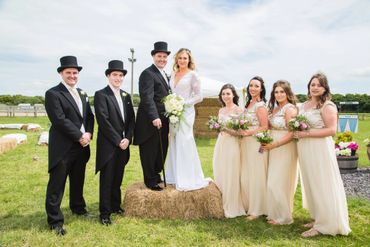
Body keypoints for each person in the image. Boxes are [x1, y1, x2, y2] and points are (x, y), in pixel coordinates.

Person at [294, 72, 351, 237]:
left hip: (319, 149)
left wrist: (306, 134)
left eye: (319, 85)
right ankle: (319, 218)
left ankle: (325, 225)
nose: (315, 87)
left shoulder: (328, 106)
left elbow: (331, 130)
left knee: (322, 183)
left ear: (325, 87)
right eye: (312, 84)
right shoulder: (304, 105)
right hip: (305, 149)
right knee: (311, 183)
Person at [45, 56, 94, 235]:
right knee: (57, 184)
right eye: (68, 73)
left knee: (78, 180)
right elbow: (59, 120)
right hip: (63, 147)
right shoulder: (53, 94)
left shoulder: (82, 93)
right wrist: (79, 135)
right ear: (61, 73)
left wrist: (88, 133)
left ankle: (78, 208)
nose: (72, 75)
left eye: (75, 72)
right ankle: (55, 221)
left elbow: (89, 116)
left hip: (82, 146)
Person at [94, 60, 135, 226]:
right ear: (108, 76)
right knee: (107, 179)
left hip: (123, 145)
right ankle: (104, 213)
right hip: (109, 146)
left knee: (118, 177)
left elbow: (131, 120)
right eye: (115, 75)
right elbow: (103, 121)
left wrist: (128, 138)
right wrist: (118, 140)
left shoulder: (125, 96)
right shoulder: (101, 95)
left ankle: (115, 206)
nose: (118, 78)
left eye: (120, 75)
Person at [165, 48, 210, 191]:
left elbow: (199, 96)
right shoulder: (172, 74)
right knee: (174, 140)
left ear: (189, 60)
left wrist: (183, 103)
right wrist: (172, 103)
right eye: (180, 58)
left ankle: (188, 177)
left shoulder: (193, 75)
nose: (182, 61)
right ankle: (174, 176)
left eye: (185, 58)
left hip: (187, 111)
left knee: (184, 141)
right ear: (176, 60)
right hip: (173, 112)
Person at [133, 41, 171, 191]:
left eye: (164, 56)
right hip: (151, 122)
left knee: (161, 150)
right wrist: (154, 117)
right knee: (150, 151)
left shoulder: (164, 74)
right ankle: (150, 180)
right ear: (153, 56)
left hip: (164, 121)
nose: (162, 59)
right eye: (159, 56)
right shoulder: (148, 73)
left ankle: (155, 174)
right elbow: (147, 97)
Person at [260, 80, 298, 225]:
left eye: (282, 91)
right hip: (273, 147)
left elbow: (292, 133)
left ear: (288, 93)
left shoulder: (290, 109)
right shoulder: (275, 109)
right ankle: (275, 212)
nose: (279, 94)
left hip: (284, 147)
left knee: (278, 182)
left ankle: (284, 218)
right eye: (276, 92)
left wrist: (274, 144)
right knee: (273, 181)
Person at [213, 84, 246, 218]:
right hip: (221, 143)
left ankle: (232, 204)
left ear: (233, 95)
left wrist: (225, 129)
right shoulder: (220, 111)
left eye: (228, 93)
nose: (225, 96)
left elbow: (241, 132)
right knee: (220, 170)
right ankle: (220, 201)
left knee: (231, 172)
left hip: (232, 144)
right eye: (223, 94)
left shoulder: (238, 110)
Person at [239, 76, 268, 220]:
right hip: (245, 142)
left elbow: (264, 126)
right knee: (246, 175)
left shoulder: (260, 106)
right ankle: (248, 205)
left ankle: (257, 209)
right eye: (251, 85)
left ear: (261, 89)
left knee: (256, 175)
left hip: (255, 142)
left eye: (256, 86)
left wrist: (248, 132)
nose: (253, 88)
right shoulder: (249, 103)